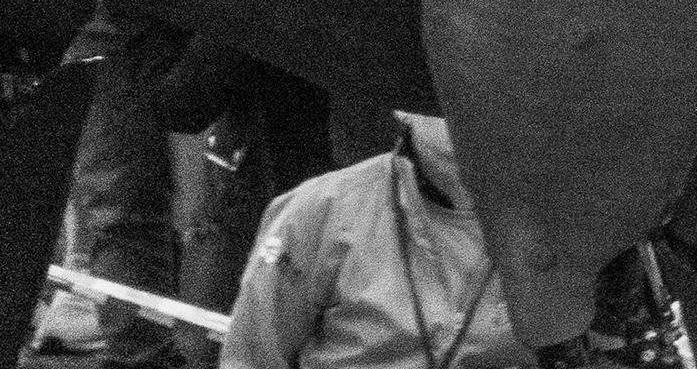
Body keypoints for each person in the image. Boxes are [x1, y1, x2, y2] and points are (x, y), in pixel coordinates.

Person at [224, 116, 531, 369]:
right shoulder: (321, 209)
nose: (460, 114)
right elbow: (250, 358)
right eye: (438, 99)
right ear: (404, 109)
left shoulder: (557, 223)